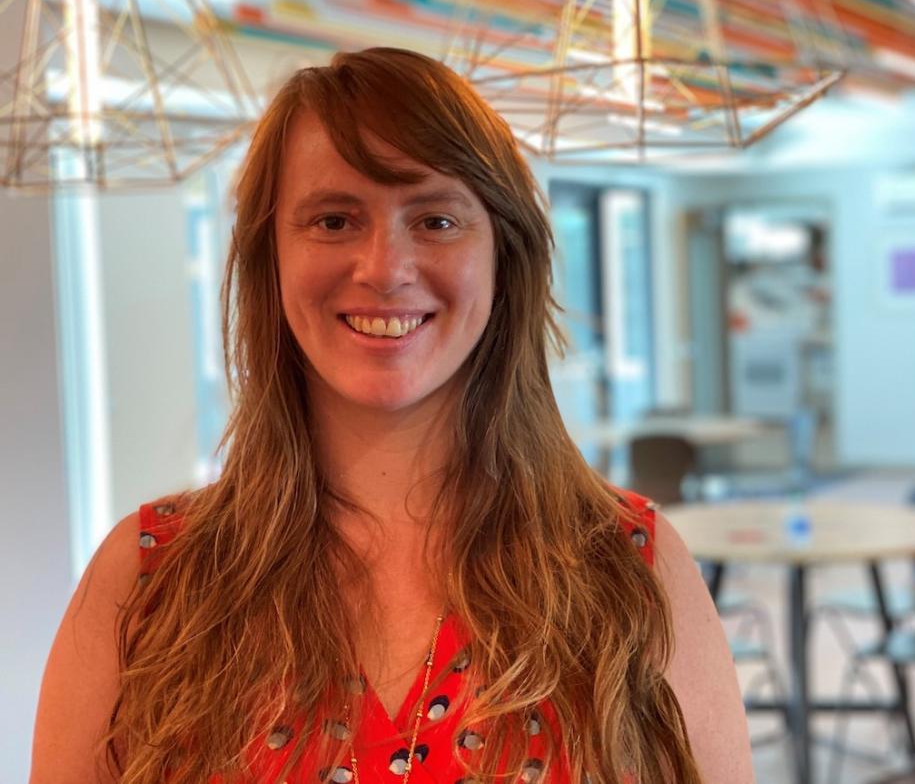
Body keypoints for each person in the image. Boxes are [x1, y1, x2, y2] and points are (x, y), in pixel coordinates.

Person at [31, 48, 753, 784]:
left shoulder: (632, 570)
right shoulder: (149, 580)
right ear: (269, 260)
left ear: (504, 261)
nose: (384, 267)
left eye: (437, 219)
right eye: (335, 219)